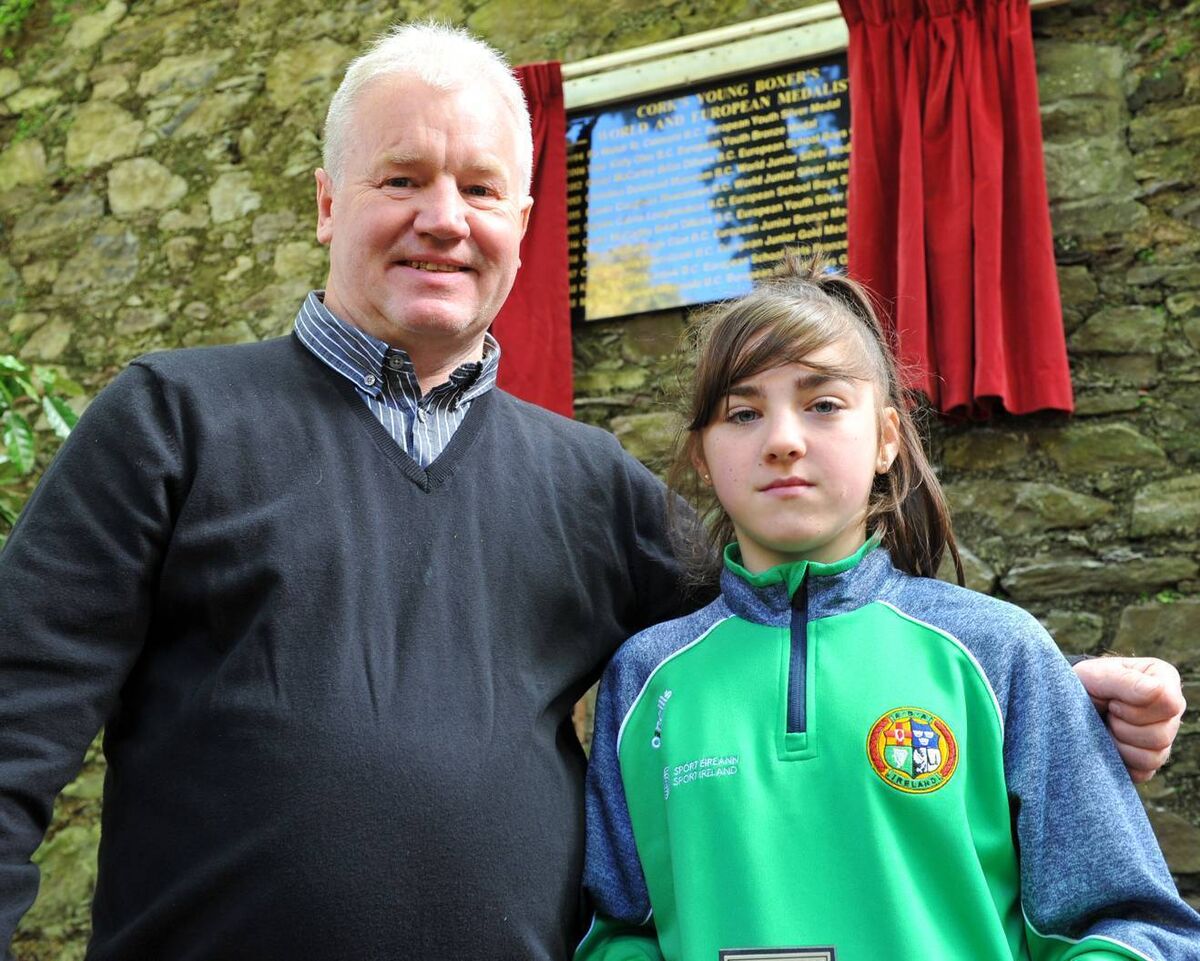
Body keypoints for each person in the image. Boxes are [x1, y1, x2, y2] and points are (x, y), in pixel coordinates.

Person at [0, 21, 1185, 961]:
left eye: (479, 187)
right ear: (326, 203)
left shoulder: (588, 486)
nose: (442, 220)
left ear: (524, 219)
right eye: (401, 178)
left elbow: (795, 611)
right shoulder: (172, 419)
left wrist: (1048, 705)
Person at [576, 254, 1200, 961]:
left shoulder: (1000, 653)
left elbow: (1131, 926)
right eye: (743, 412)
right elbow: (619, 930)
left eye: (823, 404)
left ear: (886, 439)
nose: (783, 439)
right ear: (700, 456)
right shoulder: (643, 678)